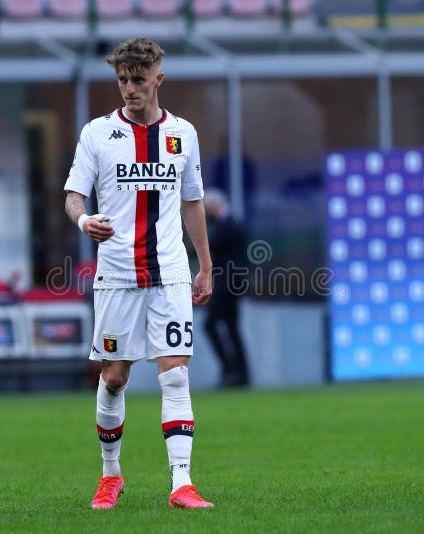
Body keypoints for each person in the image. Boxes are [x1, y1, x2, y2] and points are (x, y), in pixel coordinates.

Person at [63, 37, 214, 510]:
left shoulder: (182, 134)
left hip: (169, 271)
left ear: (158, 80)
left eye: (138, 80)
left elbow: (192, 201)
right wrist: (84, 220)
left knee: (175, 375)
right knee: (113, 377)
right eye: (123, 80)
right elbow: (73, 196)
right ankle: (111, 476)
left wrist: (205, 263)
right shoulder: (96, 134)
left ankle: (182, 484)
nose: (129, 88)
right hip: (116, 275)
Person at [202, 188, 250, 387]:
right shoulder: (232, 222)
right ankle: (240, 373)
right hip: (234, 284)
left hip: (227, 284)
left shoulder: (227, 225)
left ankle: (231, 369)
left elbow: (211, 244)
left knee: (210, 324)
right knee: (232, 328)